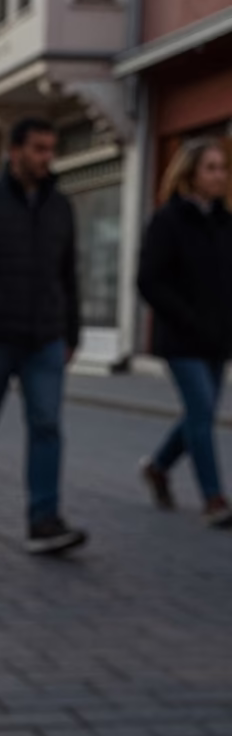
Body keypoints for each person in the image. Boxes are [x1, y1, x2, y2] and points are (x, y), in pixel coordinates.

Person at [0, 116, 87, 556]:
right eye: (39, 149)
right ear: (16, 152)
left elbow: (69, 275)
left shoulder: (60, 206)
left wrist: (71, 333)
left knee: (47, 425)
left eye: (51, 149)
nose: (48, 157)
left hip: (44, 337)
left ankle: (44, 520)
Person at [137, 140, 232, 528]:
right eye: (211, 168)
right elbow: (149, 281)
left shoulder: (226, 223)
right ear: (190, 173)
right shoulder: (168, 220)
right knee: (201, 411)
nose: (220, 175)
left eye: (223, 168)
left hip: (219, 339)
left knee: (201, 411)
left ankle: (158, 467)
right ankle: (214, 499)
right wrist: (186, 316)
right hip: (181, 338)